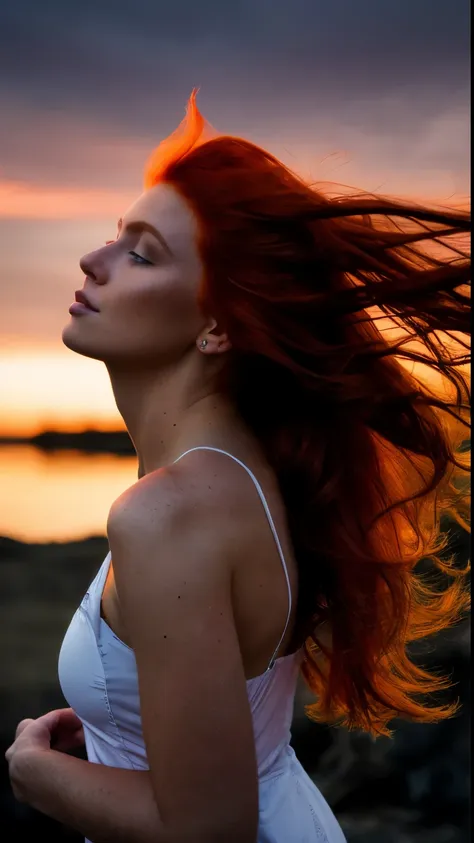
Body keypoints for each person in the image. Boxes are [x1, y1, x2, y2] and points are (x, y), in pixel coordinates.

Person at [6, 90, 470, 843]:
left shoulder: (170, 511)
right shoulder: (243, 475)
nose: (94, 260)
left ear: (217, 324)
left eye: (140, 252)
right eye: (116, 236)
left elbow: (208, 828)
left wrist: (37, 773)